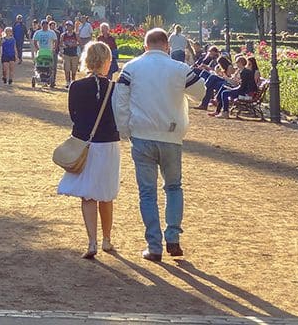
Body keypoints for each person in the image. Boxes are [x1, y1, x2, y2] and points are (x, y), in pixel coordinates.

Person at [112, 28, 206, 262]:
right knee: (173, 187)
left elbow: (120, 102)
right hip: (172, 136)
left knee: (147, 193)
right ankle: (173, 236)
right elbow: (200, 93)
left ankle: (153, 245)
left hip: (142, 136)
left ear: (145, 46)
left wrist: (125, 131)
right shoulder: (180, 69)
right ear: (167, 46)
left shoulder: (131, 68)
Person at [57, 41, 120, 259]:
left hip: (85, 143)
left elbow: (73, 115)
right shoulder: (115, 88)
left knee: (88, 195)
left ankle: (92, 241)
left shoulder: (76, 86)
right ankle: (107, 239)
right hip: (109, 144)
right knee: (106, 194)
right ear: (107, 62)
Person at [60, 20, 80, 88]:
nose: (68, 27)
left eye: (69, 26)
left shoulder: (75, 35)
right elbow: (61, 44)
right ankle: (68, 82)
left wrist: (74, 44)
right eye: (67, 26)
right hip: (66, 54)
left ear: (72, 27)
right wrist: (64, 46)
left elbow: (79, 43)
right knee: (67, 69)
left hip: (74, 54)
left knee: (74, 69)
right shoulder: (63, 35)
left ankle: (73, 81)